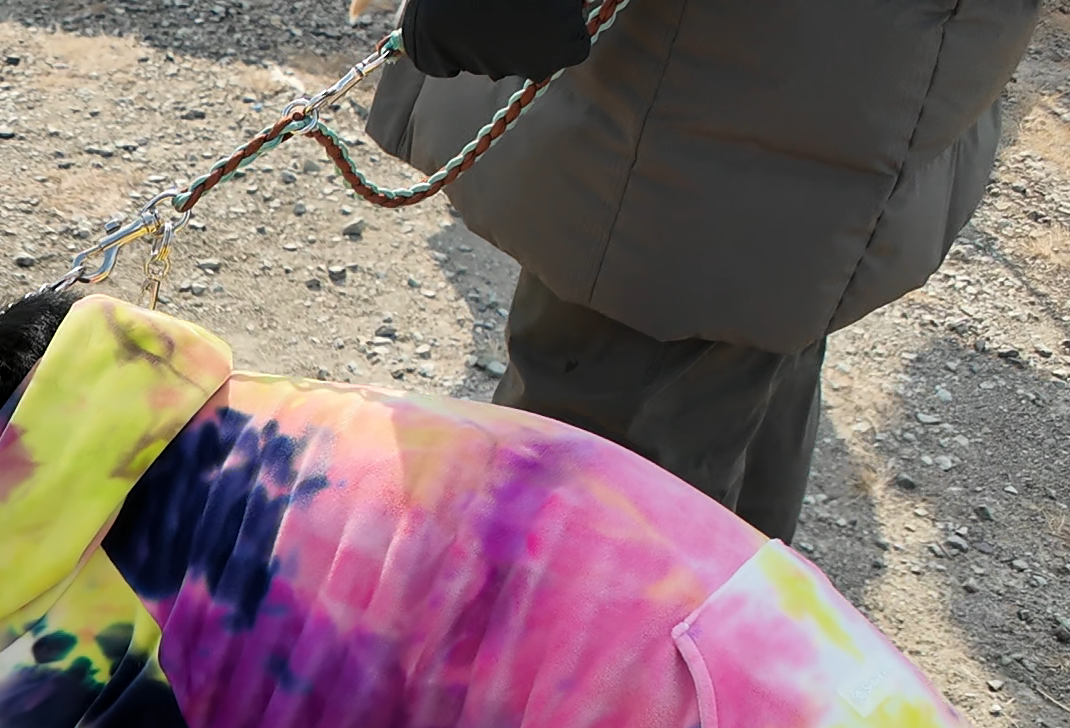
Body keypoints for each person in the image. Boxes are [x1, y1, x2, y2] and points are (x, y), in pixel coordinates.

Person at [368, 0, 1040, 543]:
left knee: (593, 473)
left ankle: (561, 657)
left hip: (715, 86)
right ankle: (728, 633)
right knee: (751, 334)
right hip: (853, 71)